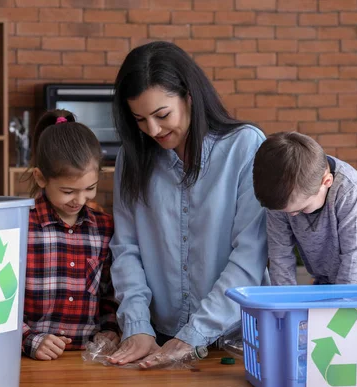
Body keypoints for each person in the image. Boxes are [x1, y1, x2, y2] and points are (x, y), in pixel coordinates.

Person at [108, 41, 268, 368]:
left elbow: (249, 256)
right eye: (139, 119)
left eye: (162, 114)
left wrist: (195, 333)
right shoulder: (133, 158)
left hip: (237, 341)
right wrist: (137, 326)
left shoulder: (245, 147)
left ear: (189, 97)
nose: (152, 130)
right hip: (158, 341)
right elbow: (126, 248)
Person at [252, 131, 357, 286]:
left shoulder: (351, 191)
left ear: (327, 182)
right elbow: (280, 257)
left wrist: (340, 310)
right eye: (286, 212)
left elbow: (355, 262)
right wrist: (283, 308)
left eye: (301, 209)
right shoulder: (280, 193)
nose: (293, 216)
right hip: (331, 279)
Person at [21, 110, 119, 360]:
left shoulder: (105, 228)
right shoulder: (20, 228)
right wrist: (29, 339)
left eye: (90, 188)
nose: (79, 200)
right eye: (67, 191)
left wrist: (110, 330)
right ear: (40, 178)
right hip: (32, 361)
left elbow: (109, 294)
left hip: (90, 360)